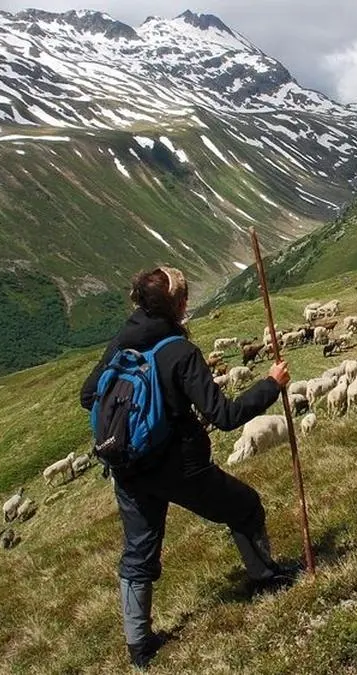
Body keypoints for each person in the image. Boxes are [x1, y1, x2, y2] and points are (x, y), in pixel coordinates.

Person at [79, 266, 298, 669]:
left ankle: (139, 646)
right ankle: (265, 578)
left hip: (129, 467)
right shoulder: (180, 352)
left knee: (139, 551)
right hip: (180, 466)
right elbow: (225, 415)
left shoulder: (122, 342)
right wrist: (271, 384)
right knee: (244, 506)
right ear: (178, 304)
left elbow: (87, 395)